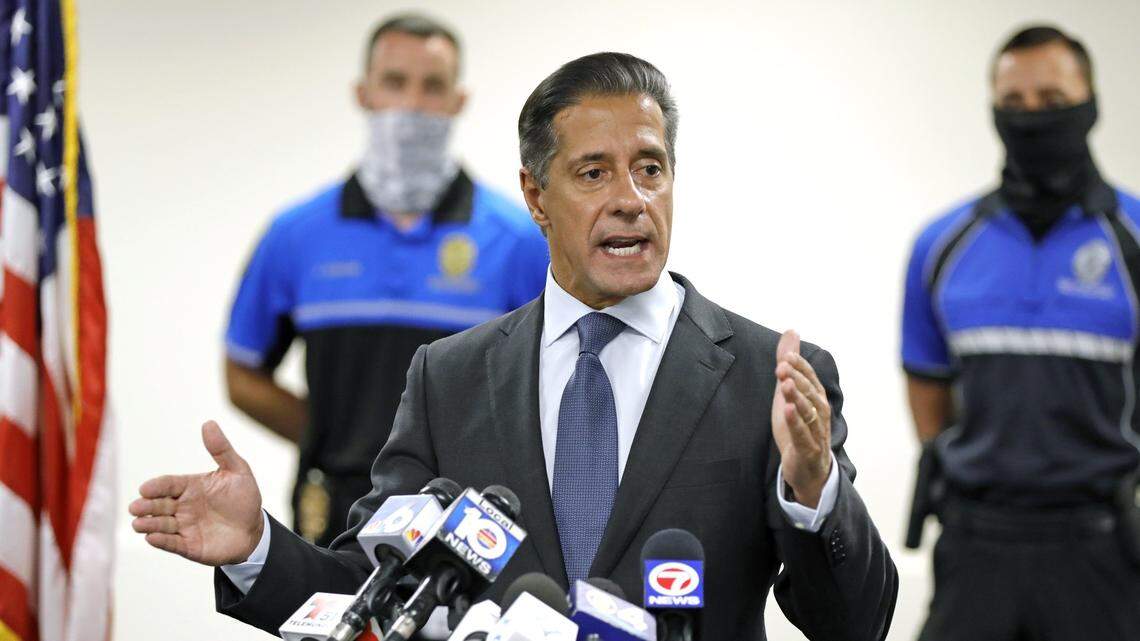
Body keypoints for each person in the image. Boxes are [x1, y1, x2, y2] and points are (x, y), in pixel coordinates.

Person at [132, 52, 898, 640]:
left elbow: (855, 622)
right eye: (593, 172)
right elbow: (376, 587)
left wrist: (813, 492)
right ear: (535, 195)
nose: (630, 199)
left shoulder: (772, 378)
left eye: (650, 169)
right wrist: (255, 545)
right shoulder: (449, 377)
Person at [223, 13, 548, 546]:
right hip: (335, 512)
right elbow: (242, 371)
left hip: (471, 519)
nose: (412, 106)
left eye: (433, 86)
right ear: (364, 93)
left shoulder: (518, 240)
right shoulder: (296, 235)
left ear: (458, 101)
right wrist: (328, 435)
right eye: (395, 83)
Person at [902, 25, 1140, 640]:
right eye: (1014, 103)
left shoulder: (1133, 239)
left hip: (1104, 547)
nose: (1032, 117)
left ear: (1091, 105)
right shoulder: (942, 244)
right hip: (977, 545)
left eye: (1053, 101)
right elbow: (927, 388)